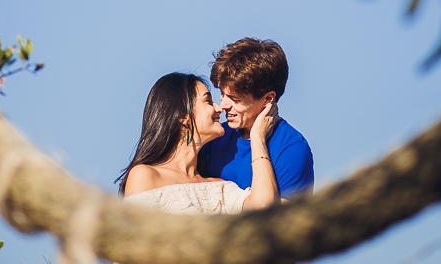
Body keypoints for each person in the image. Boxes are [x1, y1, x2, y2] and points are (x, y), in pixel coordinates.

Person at [116, 72, 280, 214]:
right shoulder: (145, 176)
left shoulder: (220, 189)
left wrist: (257, 137)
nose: (219, 108)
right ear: (183, 116)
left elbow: (263, 208)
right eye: (208, 101)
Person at [199, 38, 314, 199]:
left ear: (268, 99)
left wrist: (258, 139)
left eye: (235, 99)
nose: (223, 105)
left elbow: (284, 219)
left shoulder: (292, 148)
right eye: (222, 94)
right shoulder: (215, 136)